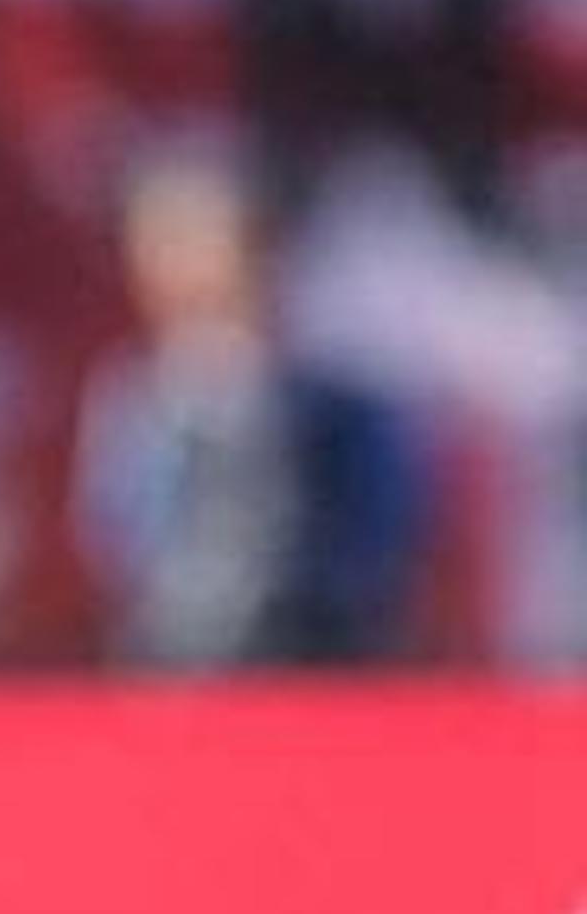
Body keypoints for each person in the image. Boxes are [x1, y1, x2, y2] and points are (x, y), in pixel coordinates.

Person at [73, 130, 430, 670]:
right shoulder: (141, 396)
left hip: (315, 644)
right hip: (184, 645)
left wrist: (334, 594)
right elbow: (120, 521)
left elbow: (379, 523)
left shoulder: (339, 402)